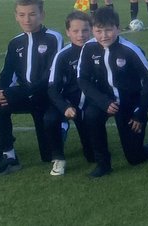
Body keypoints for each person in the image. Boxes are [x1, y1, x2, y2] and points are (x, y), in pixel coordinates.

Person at [77, 8, 148, 178]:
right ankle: (103, 163)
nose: (104, 35)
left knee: (134, 158)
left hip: (130, 104)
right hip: (104, 100)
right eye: (98, 30)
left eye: (109, 30)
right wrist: (103, 101)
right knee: (91, 115)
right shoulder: (88, 48)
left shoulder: (130, 50)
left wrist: (140, 112)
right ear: (93, 30)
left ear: (118, 28)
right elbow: (82, 79)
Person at [0, 0, 64, 176]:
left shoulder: (54, 38)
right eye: (21, 15)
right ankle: (9, 156)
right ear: (16, 16)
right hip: (24, 95)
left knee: (47, 156)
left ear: (42, 15)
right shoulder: (15, 42)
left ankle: (61, 127)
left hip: (46, 97)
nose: (26, 20)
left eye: (32, 14)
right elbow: (7, 74)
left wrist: (20, 92)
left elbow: (50, 76)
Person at [44, 11, 96, 176]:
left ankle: (87, 142)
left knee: (92, 157)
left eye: (85, 30)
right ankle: (58, 158)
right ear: (68, 32)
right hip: (67, 102)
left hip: (89, 105)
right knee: (50, 118)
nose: (81, 35)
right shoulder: (62, 55)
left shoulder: (100, 50)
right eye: (75, 31)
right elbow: (52, 87)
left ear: (92, 30)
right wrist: (64, 107)